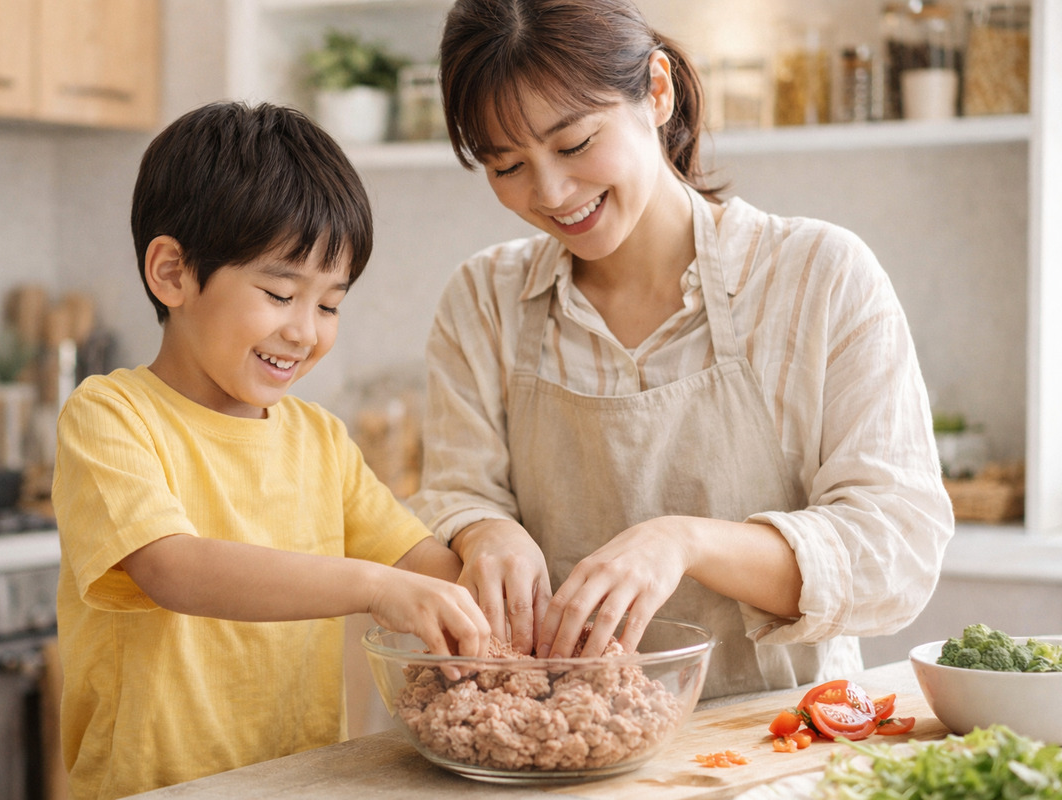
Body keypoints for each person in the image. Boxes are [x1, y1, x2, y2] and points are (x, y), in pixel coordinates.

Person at [408, 0, 954, 699]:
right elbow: (456, 490)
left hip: (775, 739)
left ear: (656, 91)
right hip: (565, 743)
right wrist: (482, 531)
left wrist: (684, 542)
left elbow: (896, 550)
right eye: (507, 165)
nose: (550, 192)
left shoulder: (817, 275)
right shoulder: (482, 300)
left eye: (574, 144)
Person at [51, 101, 489, 800]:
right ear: (172, 273)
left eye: (330, 304)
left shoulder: (319, 438)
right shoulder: (112, 415)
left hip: (299, 784)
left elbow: (421, 563)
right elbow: (173, 568)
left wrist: (498, 569)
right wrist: (376, 589)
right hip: (154, 789)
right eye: (281, 292)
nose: (306, 331)